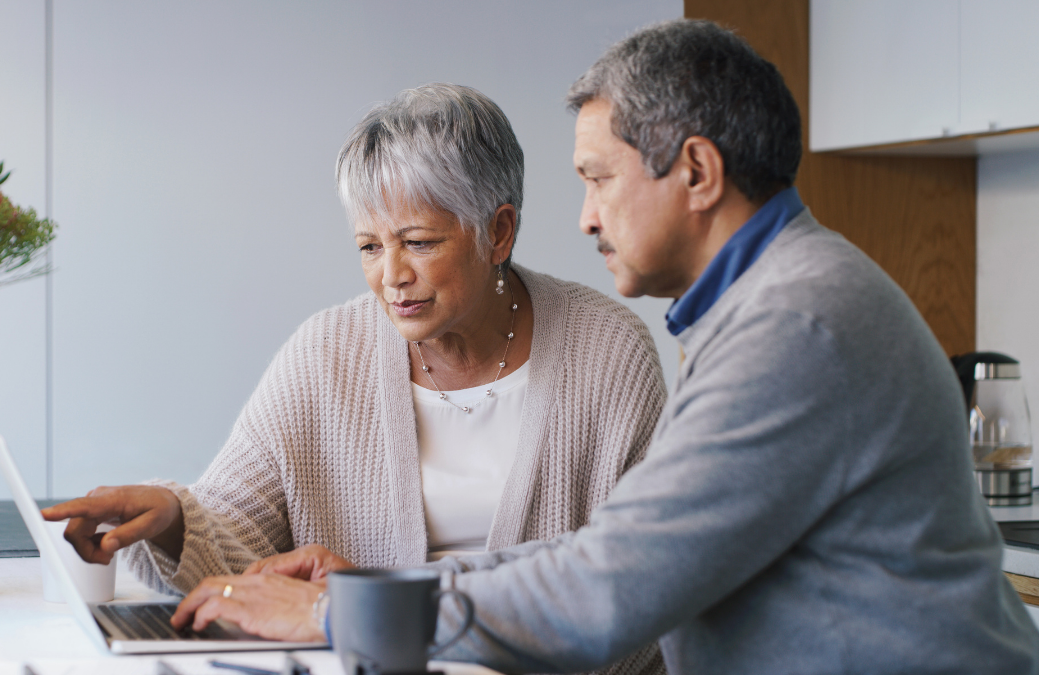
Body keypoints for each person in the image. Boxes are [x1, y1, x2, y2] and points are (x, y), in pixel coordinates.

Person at [170, 20, 1039, 674]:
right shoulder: (772, 304)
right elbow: (608, 549)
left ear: (696, 173)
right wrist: (369, 591)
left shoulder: (794, 326)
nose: (584, 216)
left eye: (598, 179)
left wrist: (337, 613)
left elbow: (609, 588)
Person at [42, 83, 667, 671]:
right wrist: (174, 516)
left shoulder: (609, 352)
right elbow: (239, 531)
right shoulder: (325, 351)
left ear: (498, 232)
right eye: (370, 247)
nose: (390, 276)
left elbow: (637, 585)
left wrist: (368, 611)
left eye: (418, 242)